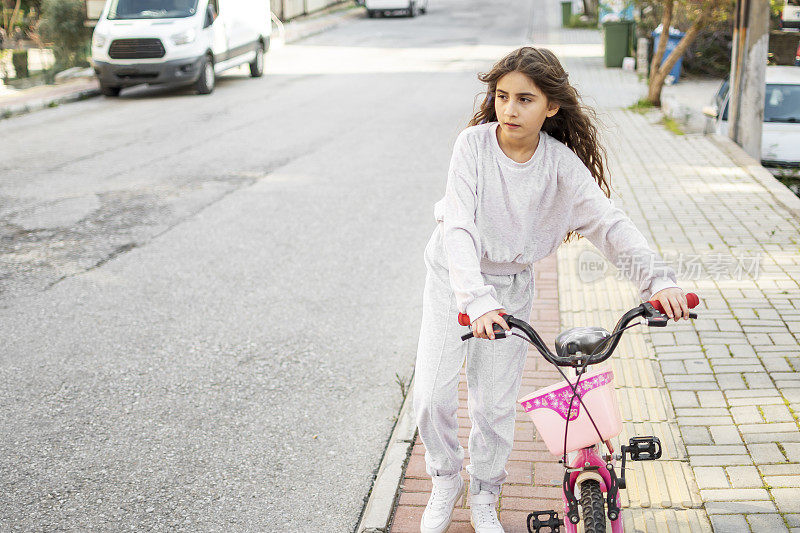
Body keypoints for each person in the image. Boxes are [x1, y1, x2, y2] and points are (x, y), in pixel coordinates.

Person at [413, 46, 690, 533]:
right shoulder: (472, 147)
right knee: (432, 397)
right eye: (502, 97)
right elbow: (457, 226)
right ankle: (446, 479)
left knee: (494, 406)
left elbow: (608, 224)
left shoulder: (560, 166)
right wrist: (475, 300)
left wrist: (658, 282)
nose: (509, 109)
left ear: (552, 107)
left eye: (525, 99)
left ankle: (484, 492)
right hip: (453, 280)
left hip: (512, 284)